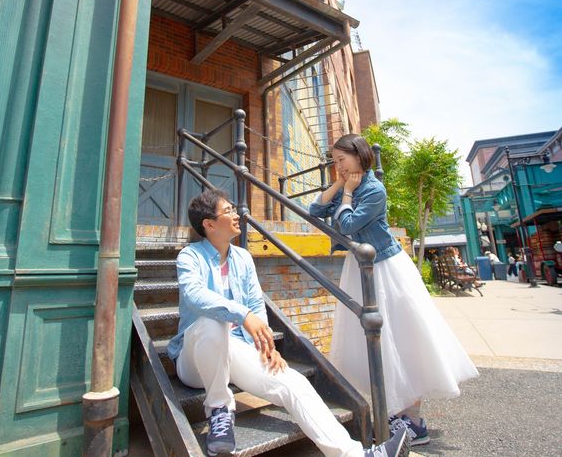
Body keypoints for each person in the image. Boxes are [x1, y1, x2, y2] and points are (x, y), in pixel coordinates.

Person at [167, 189, 410, 457]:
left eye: (235, 209)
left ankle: (356, 454)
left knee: (293, 382)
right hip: (195, 358)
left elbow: (256, 304)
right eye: (228, 211)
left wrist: (267, 346)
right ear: (209, 224)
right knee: (213, 322)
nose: (237, 215)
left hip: (236, 350)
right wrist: (241, 315)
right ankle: (219, 411)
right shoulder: (190, 256)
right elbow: (195, 295)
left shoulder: (243, 258)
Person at [309, 134, 479, 447]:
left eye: (341, 159)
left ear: (360, 156)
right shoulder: (351, 185)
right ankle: (396, 413)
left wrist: (347, 194)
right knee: (379, 343)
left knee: (402, 338)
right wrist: (339, 185)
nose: (338, 165)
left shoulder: (374, 189)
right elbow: (314, 211)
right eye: (334, 161)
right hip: (363, 266)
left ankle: (413, 421)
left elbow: (347, 225)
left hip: (386, 268)